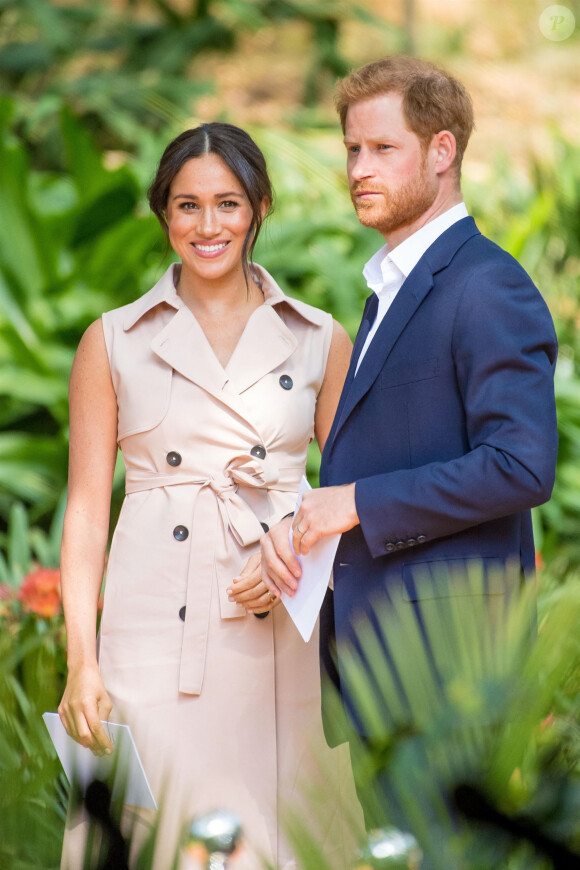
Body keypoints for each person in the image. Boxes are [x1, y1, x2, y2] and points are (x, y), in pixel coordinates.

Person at [261, 52, 558, 827]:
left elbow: (521, 465)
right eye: (353, 149)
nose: (359, 167)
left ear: (441, 151)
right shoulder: (387, 294)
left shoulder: (486, 285)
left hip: (450, 674)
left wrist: (353, 503)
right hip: (385, 666)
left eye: (383, 148)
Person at [57, 122, 361, 870]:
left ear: (259, 207)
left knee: (281, 835)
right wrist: (80, 661)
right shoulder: (114, 340)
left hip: (278, 625)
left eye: (227, 203)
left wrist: (292, 541)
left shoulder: (319, 338)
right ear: (164, 214)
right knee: (154, 831)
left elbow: (359, 492)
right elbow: (89, 512)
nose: (208, 225)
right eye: (187, 205)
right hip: (153, 628)